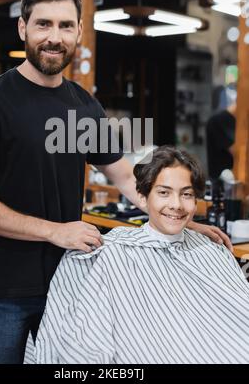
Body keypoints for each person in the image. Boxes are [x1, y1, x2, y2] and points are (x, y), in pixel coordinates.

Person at [0, 0, 231, 364]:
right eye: (43, 24)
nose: (54, 37)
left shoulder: (83, 107)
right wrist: (53, 231)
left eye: (65, 25)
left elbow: (125, 177)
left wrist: (178, 217)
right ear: (23, 28)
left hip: (71, 281)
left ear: (79, 31)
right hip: (2, 290)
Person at [35, 146, 249, 364]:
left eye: (186, 194)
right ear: (143, 197)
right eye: (164, 192)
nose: (176, 205)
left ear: (196, 202)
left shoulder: (212, 250)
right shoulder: (108, 254)